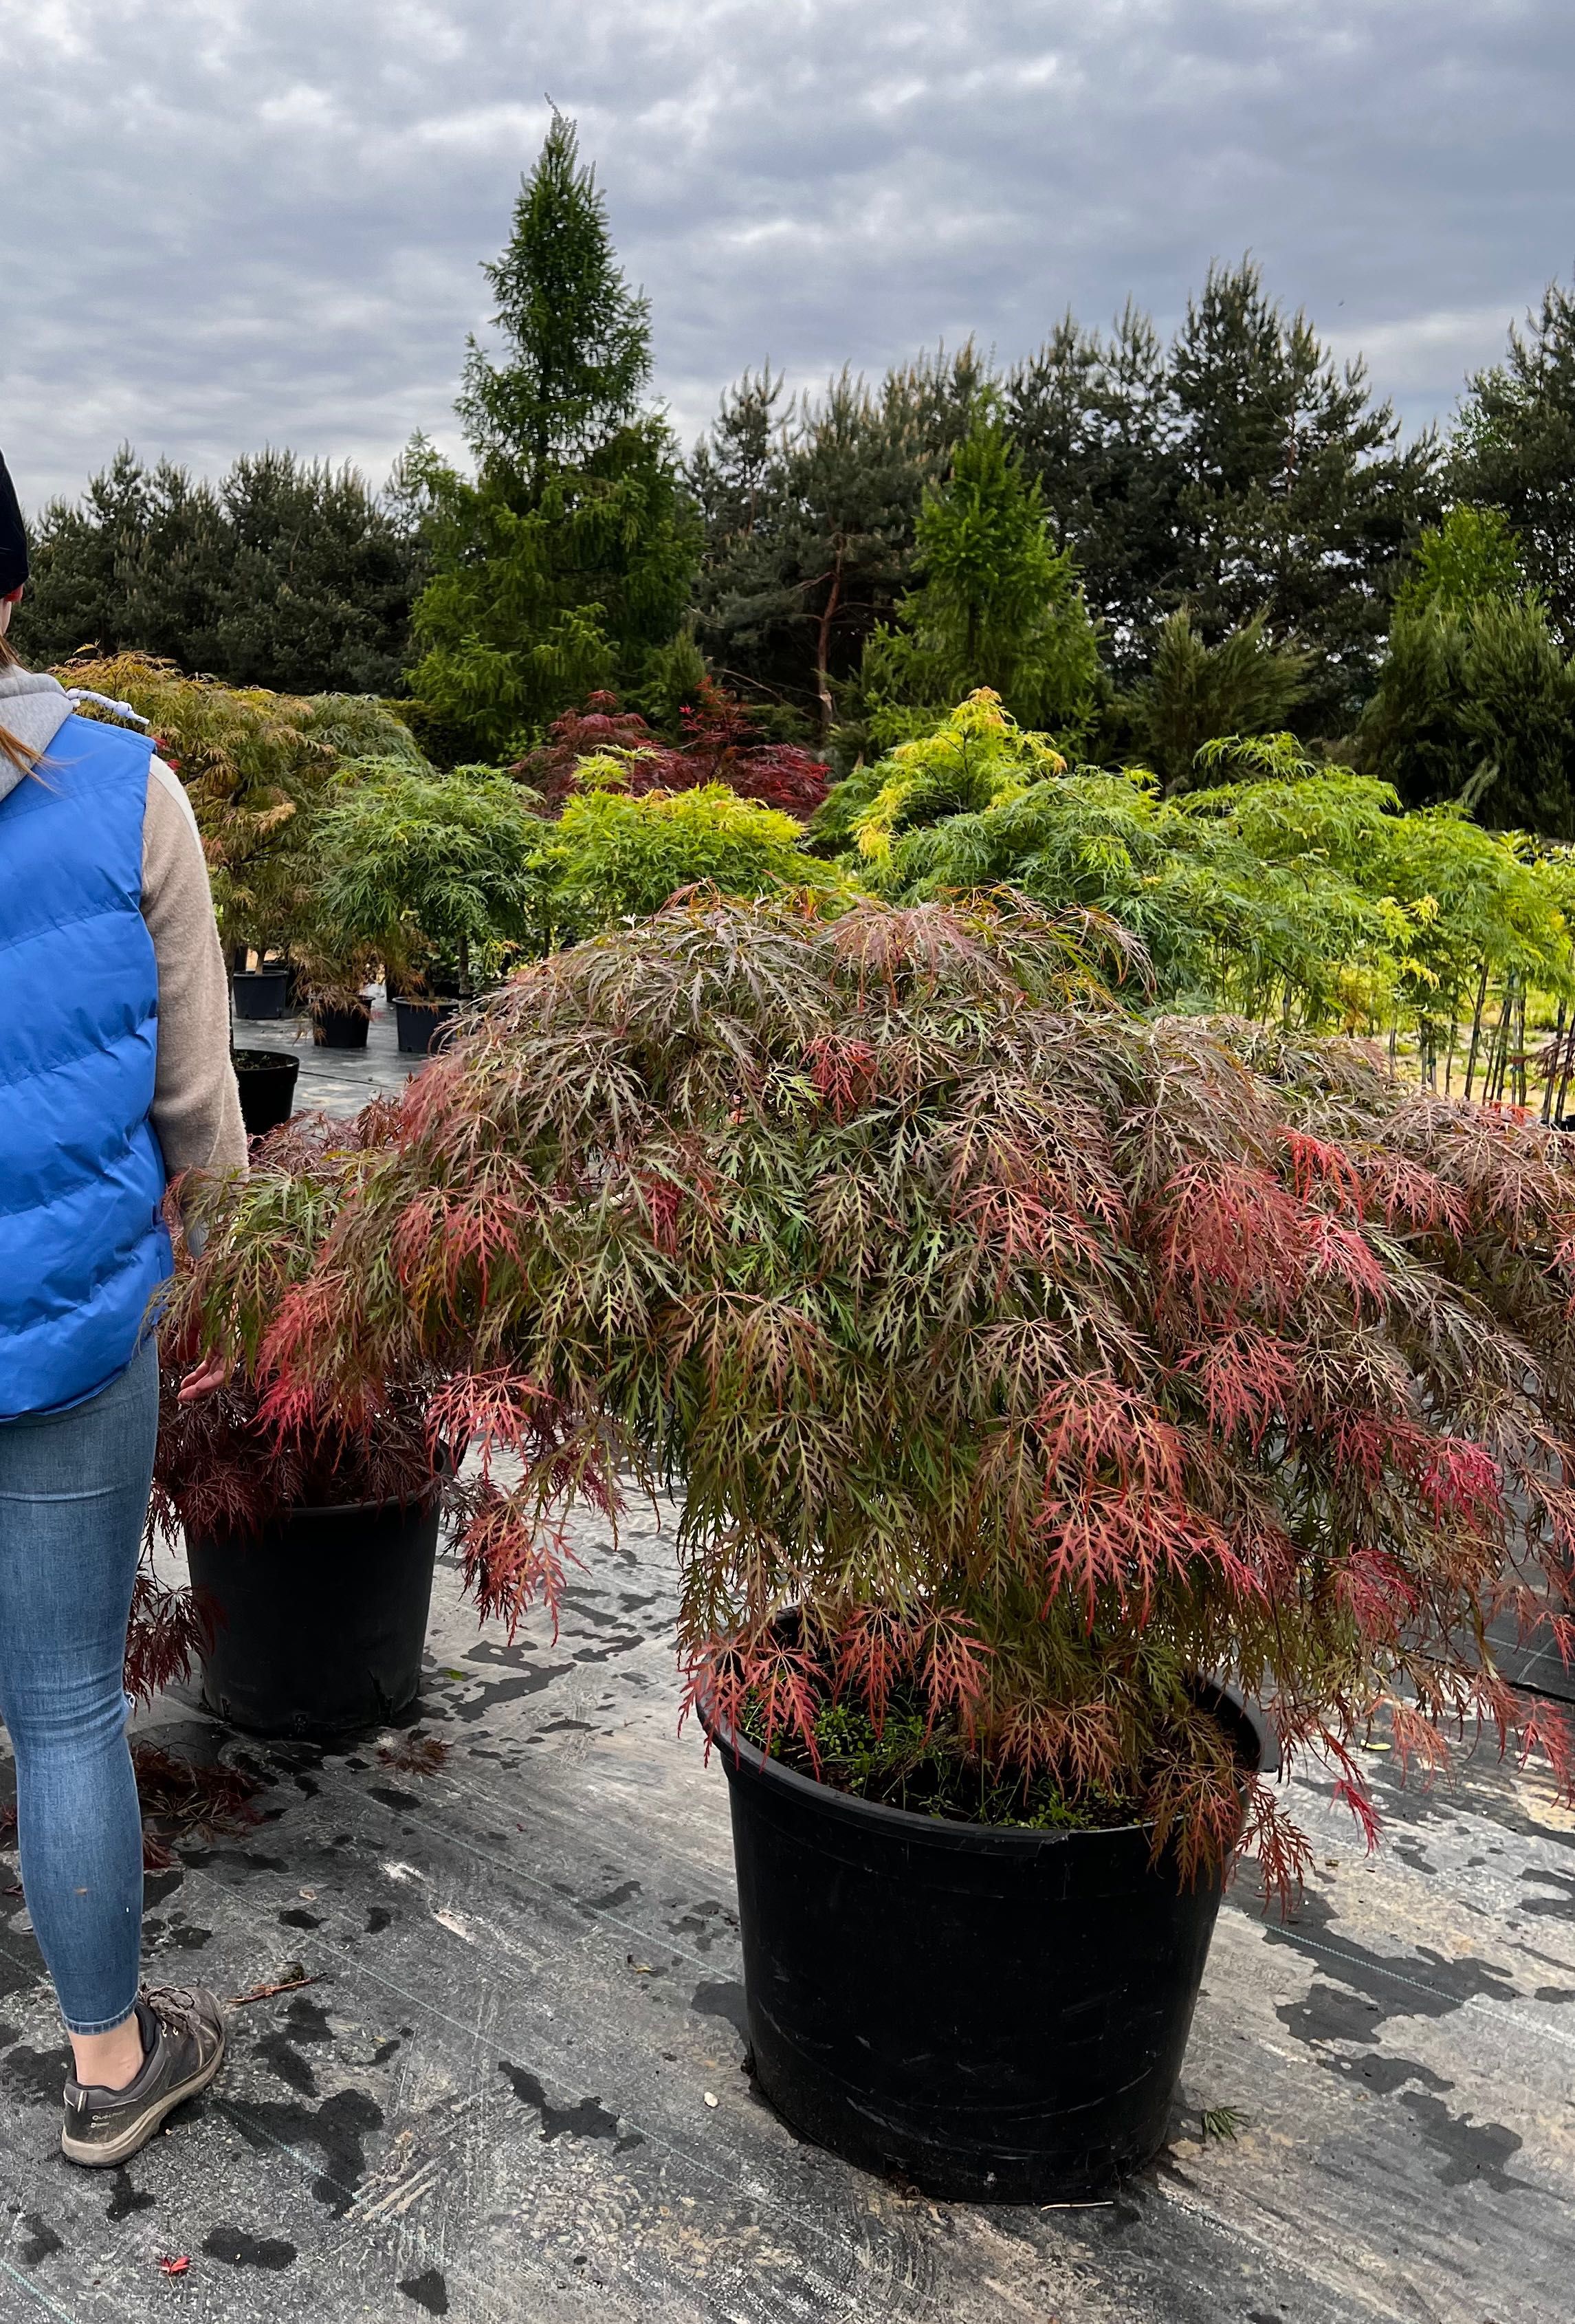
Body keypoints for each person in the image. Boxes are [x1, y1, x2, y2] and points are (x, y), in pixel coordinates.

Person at [0, 447, 245, 2165]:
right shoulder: (126, 789)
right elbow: (197, 1099)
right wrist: (220, 1242)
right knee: (69, 1697)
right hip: (69, 1328)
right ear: (10, 586)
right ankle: (110, 2065)